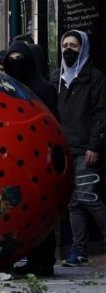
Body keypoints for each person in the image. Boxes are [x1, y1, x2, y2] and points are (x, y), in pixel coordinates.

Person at [3, 41, 58, 276]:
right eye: (12, 59)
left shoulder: (44, 89)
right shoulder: (6, 88)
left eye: (20, 59)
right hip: (15, 159)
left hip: (39, 158)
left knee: (40, 209)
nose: (17, 64)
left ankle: (44, 260)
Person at [52, 30, 105, 267]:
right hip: (64, 149)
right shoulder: (57, 78)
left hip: (85, 149)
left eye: (74, 45)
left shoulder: (94, 78)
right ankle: (78, 250)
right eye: (65, 45)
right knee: (73, 202)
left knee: (88, 196)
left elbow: (100, 114)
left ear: (83, 48)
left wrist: (94, 144)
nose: (68, 49)